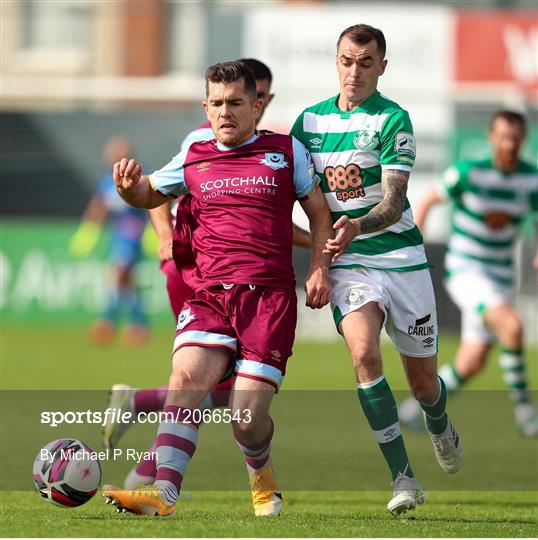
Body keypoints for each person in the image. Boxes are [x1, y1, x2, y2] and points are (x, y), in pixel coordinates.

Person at [103, 61, 335, 517]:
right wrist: (128, 189)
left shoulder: (287, 152)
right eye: (216, 104)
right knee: (185, 379)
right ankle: (162, 493)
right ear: (205, 107)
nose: (225, 113)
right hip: (208, 294)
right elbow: (151, 194)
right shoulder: (194, 153)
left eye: (235, 103)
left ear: (256, 106)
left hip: (267, 300)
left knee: (246, 420)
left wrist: (320, 267)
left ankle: (261, 473)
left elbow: (318, 214)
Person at [291, 24, 463, 515]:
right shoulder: (308, 124)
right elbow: (313, 208)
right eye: (347, 60)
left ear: (382, 67)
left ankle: (438, 422)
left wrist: (356, 226)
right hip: (353, 266)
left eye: (366, 63)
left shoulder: (392, 119)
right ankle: (403, 478)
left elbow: (392, 203)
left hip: (402, 259)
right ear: (336, 61)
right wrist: (320, 264)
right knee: (364, 354)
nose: (355, 71)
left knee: (425, 386)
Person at [398, 110, 538, 437]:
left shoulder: (530, 178)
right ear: (491, 137)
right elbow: (430, 198)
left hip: (503, 274)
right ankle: (526, 412)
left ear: (523, 140)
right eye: (503, 136)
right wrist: (415, 242)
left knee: (472, 362)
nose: (509, 143)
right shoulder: (470, 172)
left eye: (515, 138)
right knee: (513, 328)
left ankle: (411, 411)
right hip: (466, 269)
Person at [69, 136, 149, 346]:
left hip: (132, 234)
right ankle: (137, 325)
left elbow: (154, 202)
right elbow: (99, 206)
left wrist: (157, 231)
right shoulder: (106, 179)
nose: (111, 157)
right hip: (117, 235)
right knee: (125, 280)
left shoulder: (139, 176)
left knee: (119, 274)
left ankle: (108, 321)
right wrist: (88, 231)